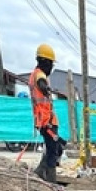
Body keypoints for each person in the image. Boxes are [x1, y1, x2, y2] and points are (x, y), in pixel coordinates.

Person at [28, 43, 64, 183]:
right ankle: (50, 181)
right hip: (46, 122)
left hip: (47, 120)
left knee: (57, 147)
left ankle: (39, 173)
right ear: (45, 62)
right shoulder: (39, 75)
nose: (52, 68)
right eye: (51, 64)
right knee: (53, 151)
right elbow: (41, 83)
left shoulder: (36, 75)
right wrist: (46, 88)